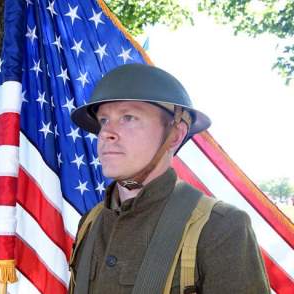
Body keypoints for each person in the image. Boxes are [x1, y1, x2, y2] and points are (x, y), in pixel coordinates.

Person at [69, 63, 270, 293]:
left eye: (128, 117)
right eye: (104, 120)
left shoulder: (219, 226)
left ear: (175, 134)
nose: (106, 133)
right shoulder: (91, 222)